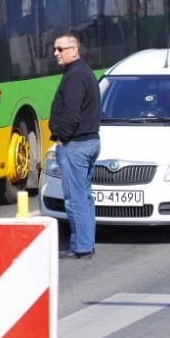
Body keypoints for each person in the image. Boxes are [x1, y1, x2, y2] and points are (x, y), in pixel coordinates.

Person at [49, 34, 101, 259]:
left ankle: (81, 246)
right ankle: (86, 243)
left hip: (76, 144)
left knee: (75, 198)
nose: (56, 53)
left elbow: (71, 113)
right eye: (55, 49)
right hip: (88, 141)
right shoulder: (82, 72)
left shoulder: (75, 76)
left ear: (74, 50)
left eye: (61, 49)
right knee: (85, 196)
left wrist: (62, 137)